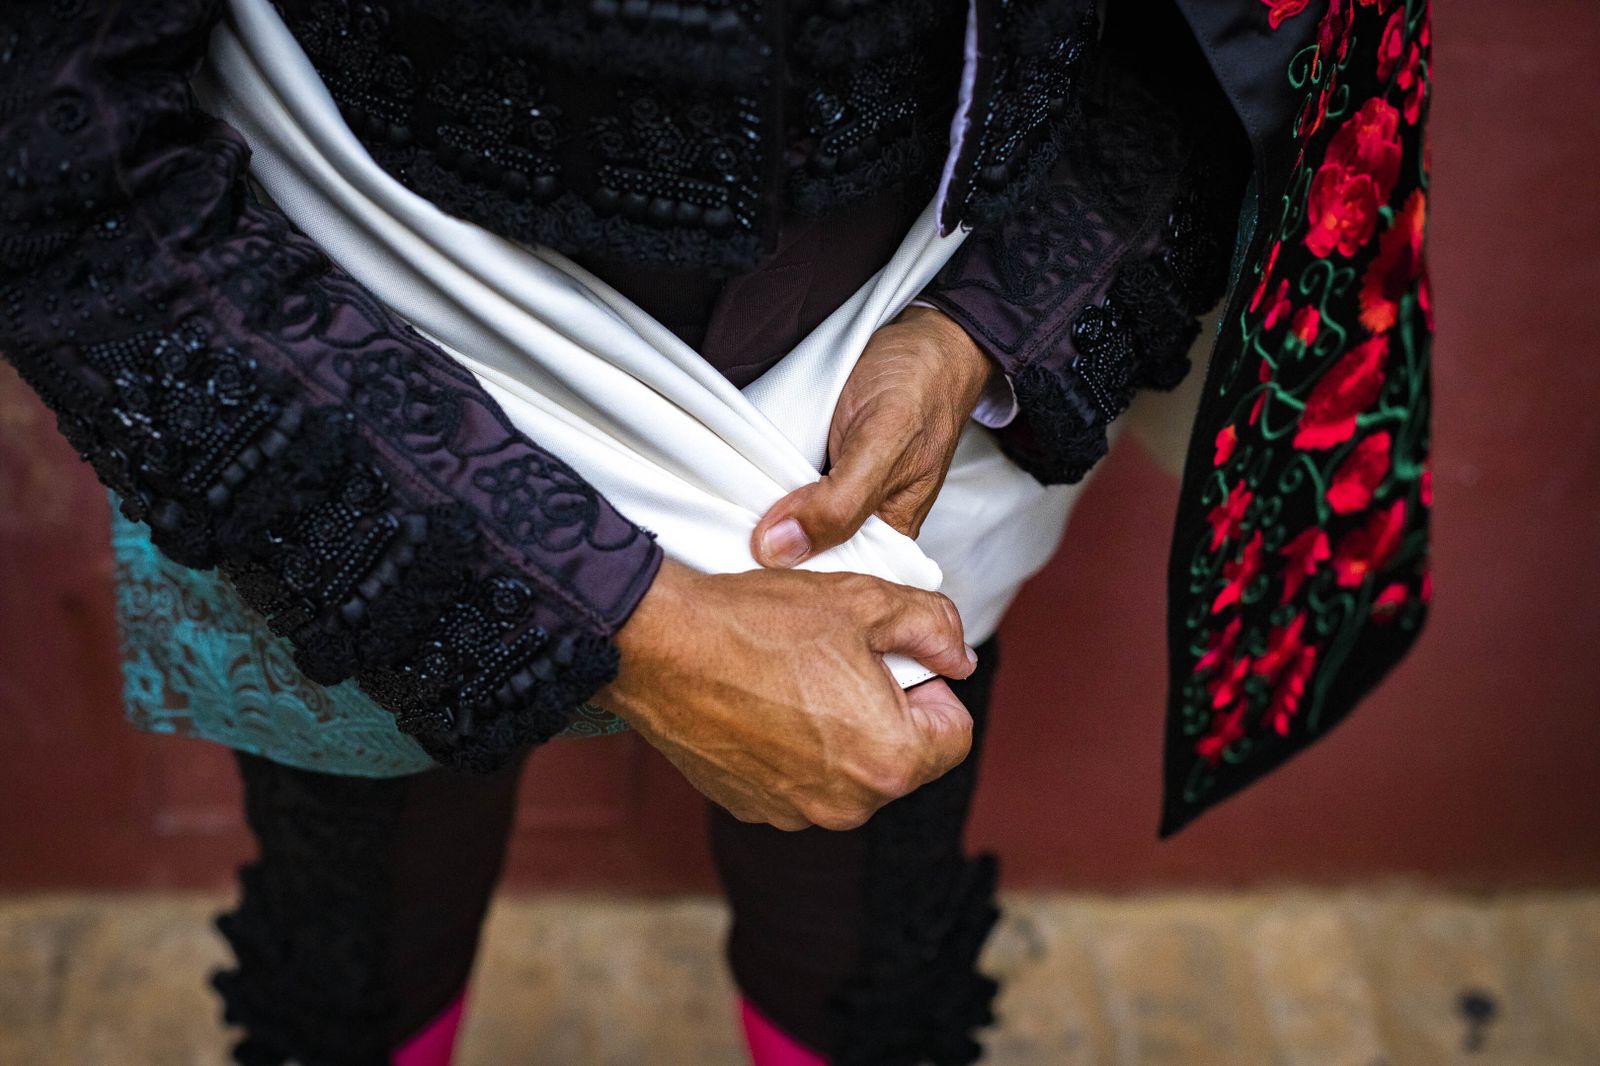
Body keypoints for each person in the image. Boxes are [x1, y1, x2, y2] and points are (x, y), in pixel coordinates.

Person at [0, 0, 1433, 1062]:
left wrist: (980, 328)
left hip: (897, 314)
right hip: (358, 303)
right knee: (358, 940)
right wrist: (634, 623)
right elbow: (55, 137)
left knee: (864, 945)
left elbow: (1224, 27)